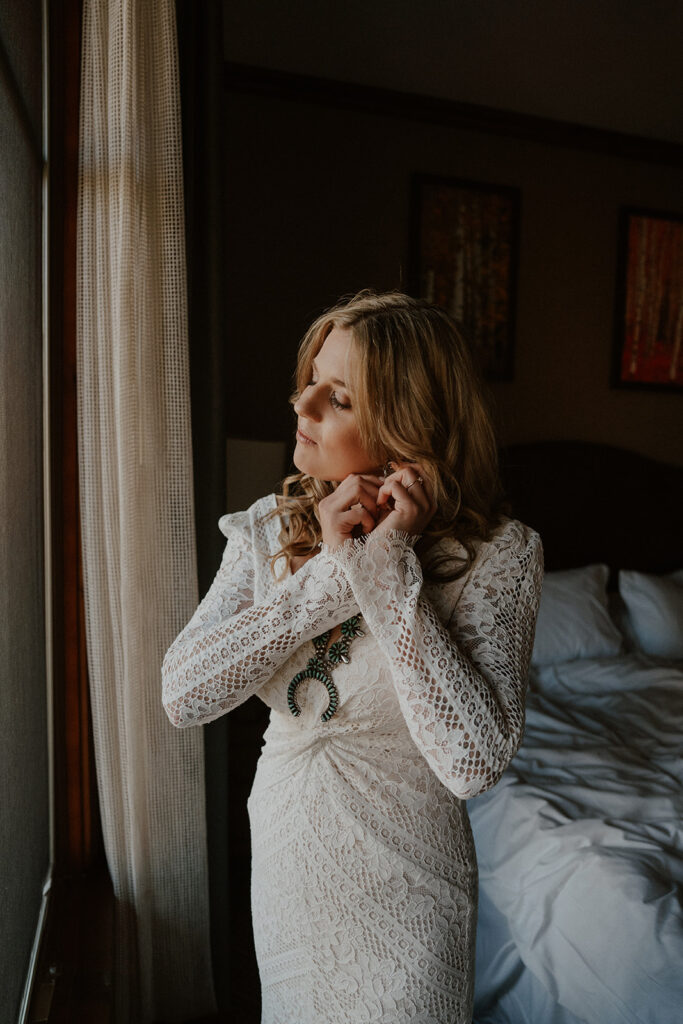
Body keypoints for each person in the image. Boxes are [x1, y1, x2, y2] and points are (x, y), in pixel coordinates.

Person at [162, 289, 543, 1024]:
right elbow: (184, 694)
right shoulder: (271, 527)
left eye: (335, 398)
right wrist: (329, 577)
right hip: (288, 863)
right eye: (308, 381)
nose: (299, 406)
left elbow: (472, 762)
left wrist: (385, 565)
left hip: (410, 890)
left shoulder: (500, 556)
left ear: (410, 425)